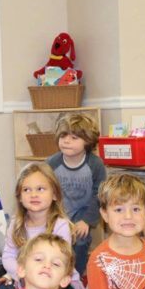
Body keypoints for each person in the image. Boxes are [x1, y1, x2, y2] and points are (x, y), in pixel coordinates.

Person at [0, 162, 86, 289]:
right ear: (19, 197)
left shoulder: (60, 225)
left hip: (54, 280)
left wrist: (39, 281)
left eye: (40, 189)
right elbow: (8, 255)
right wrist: (22, 275)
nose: (33, 195)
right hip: (24, 277)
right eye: (26, 190)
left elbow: (60, 261)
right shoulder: (16, 223)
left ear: (55, 194)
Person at [47, 112, 106, 275]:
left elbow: (99, 195)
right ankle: (54, 274)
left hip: (82, 213)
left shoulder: (95, 164)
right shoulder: (52, 163)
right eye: (64, 136)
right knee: (52, 244)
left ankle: (76, 276)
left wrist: (86, 220)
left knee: (80, 242)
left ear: (87, 141)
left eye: (74, 138)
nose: (66, 141)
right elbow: (45, 189)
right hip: (57, 212)